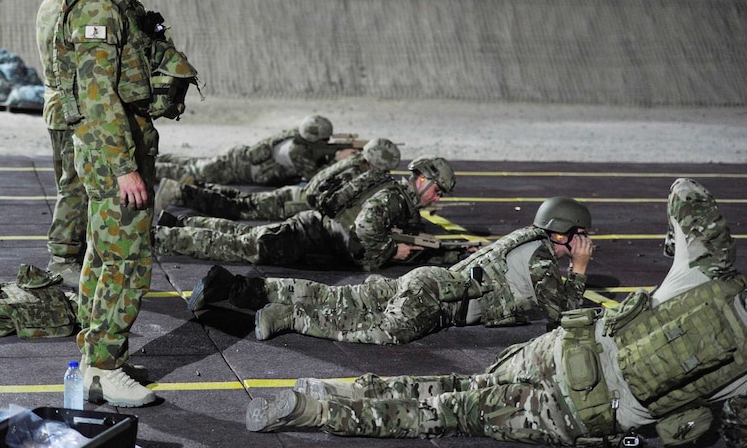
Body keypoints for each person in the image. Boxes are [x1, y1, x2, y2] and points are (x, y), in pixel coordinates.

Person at [245, 178, 747, 448]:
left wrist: (697, 257)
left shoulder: (706, 279)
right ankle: (320, 406)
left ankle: (270, 305)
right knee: (444, 407)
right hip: (574, 412)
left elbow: (687, 194)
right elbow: (562, 305)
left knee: (364, 315)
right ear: (568, 233)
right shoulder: (550, 263)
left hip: (550, 352)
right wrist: (578, 269)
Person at [54, 0, 193, 407]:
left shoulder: (122, 4)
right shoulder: (97, 8)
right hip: (115, 157)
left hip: (119, 151)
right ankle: (104, 369)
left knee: (102, 257)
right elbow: (97, 98)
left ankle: (97, 357)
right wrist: (125, 168)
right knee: (126, 263)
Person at [187, 196, 593, 343]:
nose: (582, 241)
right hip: (436, 298)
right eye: (579, 234)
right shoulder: (541, 257)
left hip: (428, 283)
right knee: (377, 331)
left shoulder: (524, 237)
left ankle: (236, 287)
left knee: (340, 296)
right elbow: (563, 318)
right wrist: (578, 268)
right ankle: (289, 316)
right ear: (565, 232)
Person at [154, 156, 466, 271]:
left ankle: (178, 222)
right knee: (240, 246)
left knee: (241, 235)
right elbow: (366, 230)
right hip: (309, 236)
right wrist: (392, 249)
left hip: (312, 232)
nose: (436, 197)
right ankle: (160, 238)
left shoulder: (397, 197)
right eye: (437, 190)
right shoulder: (393, 199)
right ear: (423, 179)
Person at [154, 137, 402, 219]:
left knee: (239, 199)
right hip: (296, 202)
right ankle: (180, 193)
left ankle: (186, 188)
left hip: (295, 196)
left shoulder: (352, 162)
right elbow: (326, 192)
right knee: (237, 207)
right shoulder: (356, 171)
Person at [37, 0, 92, 287]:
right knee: (73, 185)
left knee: (69, 182)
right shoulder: (73, 7)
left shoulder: (49, 3)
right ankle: (62, 256)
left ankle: (72, 250)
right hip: (69, 109)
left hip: (55, 107)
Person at [154, 114, 354, 186]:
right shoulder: (296, 151)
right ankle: (150, 169)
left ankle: (157, 158)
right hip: (236, 166)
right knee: (193, 173)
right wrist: (338, 161)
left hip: (239, 157)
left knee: (192, 164)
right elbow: (316, 177)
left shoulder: (299, 136)